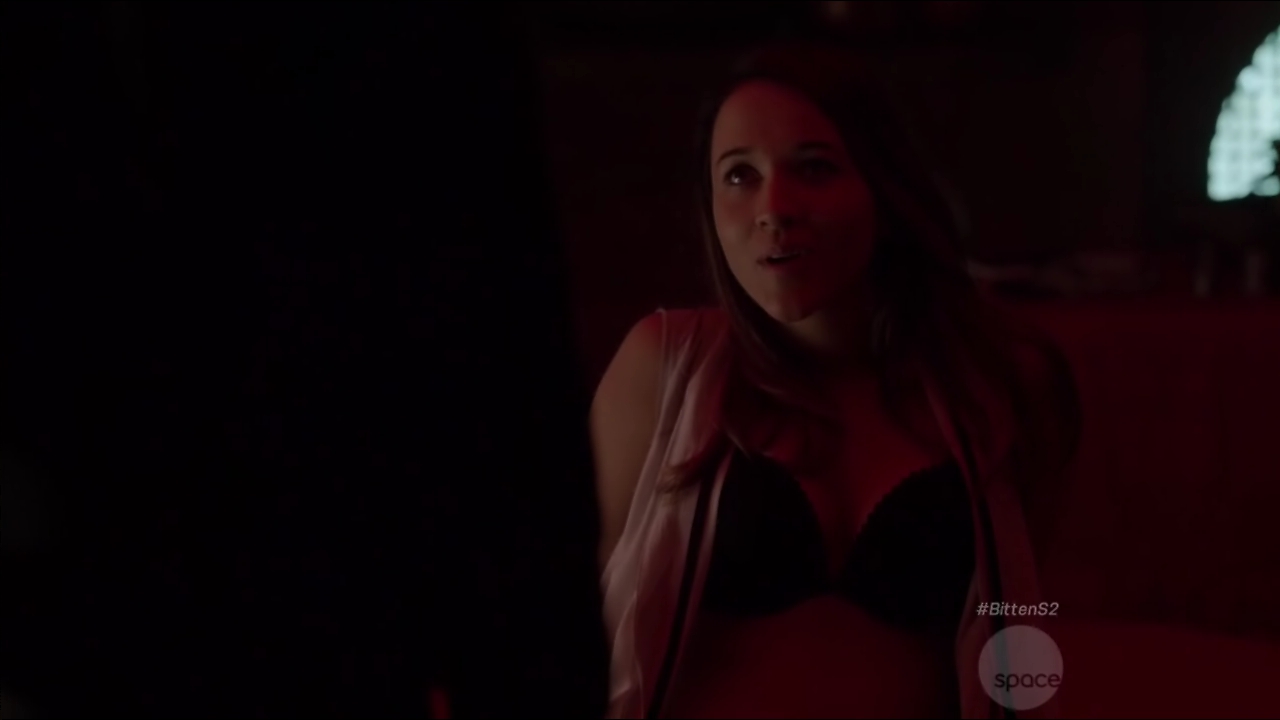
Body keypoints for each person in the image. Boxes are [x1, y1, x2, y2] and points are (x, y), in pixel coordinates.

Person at [591, 43, 1080, 719]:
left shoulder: (1002, 384)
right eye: (739, 175)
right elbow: (571, 616)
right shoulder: (663, 366)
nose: (773, 207)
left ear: (884, 186)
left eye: (814, 168)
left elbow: (1021, 619)